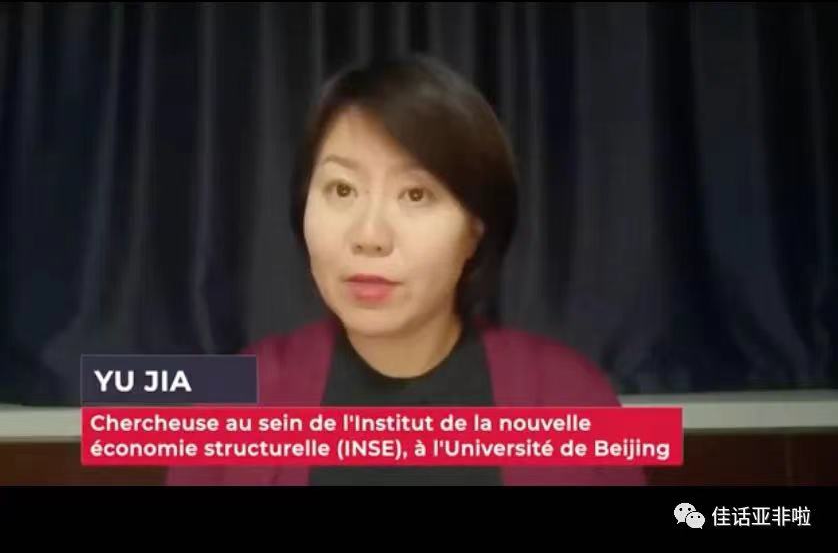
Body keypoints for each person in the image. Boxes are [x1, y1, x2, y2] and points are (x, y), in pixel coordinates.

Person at [167, 54, 646, 486]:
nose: (370, 235)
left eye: (416, 194)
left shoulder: (568, 395)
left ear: (475, 228)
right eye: (342, 190)